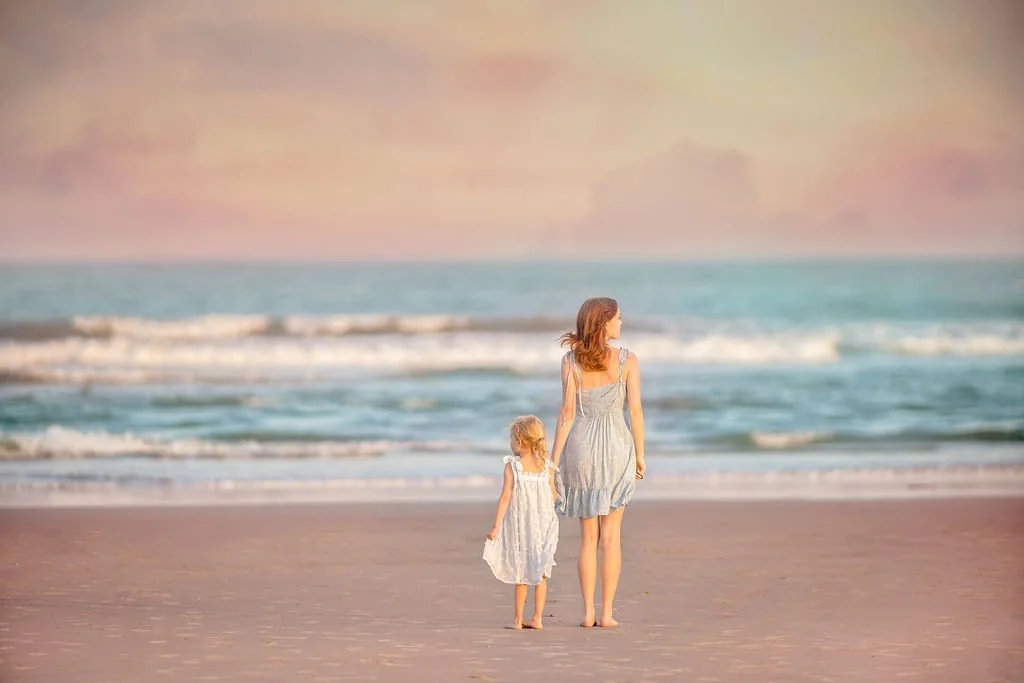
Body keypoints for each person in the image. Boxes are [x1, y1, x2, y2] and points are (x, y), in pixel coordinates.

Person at [550, 297, 645, 628]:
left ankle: (587, 612)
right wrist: (641, 454)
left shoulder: (570, 362)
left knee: (588, 537)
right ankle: (606, 613)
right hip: (618, 447)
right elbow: (634, 412)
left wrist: (553, 464)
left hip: (582, 450)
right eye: (618, 318)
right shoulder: (628, 360)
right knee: (612, 536)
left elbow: (565, 415)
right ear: (603, 323)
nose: (622, 323)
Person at [483, 415, 560, 630]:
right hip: (543, 524)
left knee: (521, 571)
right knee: (541, 571)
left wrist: (496, 526)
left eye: (511, 438)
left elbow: (505, 497)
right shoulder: (547, 467)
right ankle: (537, 618)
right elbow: (553, 495)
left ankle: (517, 620)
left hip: (521, 525)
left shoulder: (513, 466)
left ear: (519, 440)